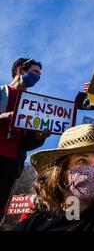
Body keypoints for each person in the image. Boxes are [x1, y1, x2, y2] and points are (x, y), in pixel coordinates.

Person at [0, 58, 51, 221]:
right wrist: (3, 116)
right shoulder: (2, 91)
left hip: (11, 163)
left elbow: (28, 143)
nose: (38, 77)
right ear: (21, 70)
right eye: (35, 72)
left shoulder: (33, 105)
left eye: (40, 74)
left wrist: (38, 137)